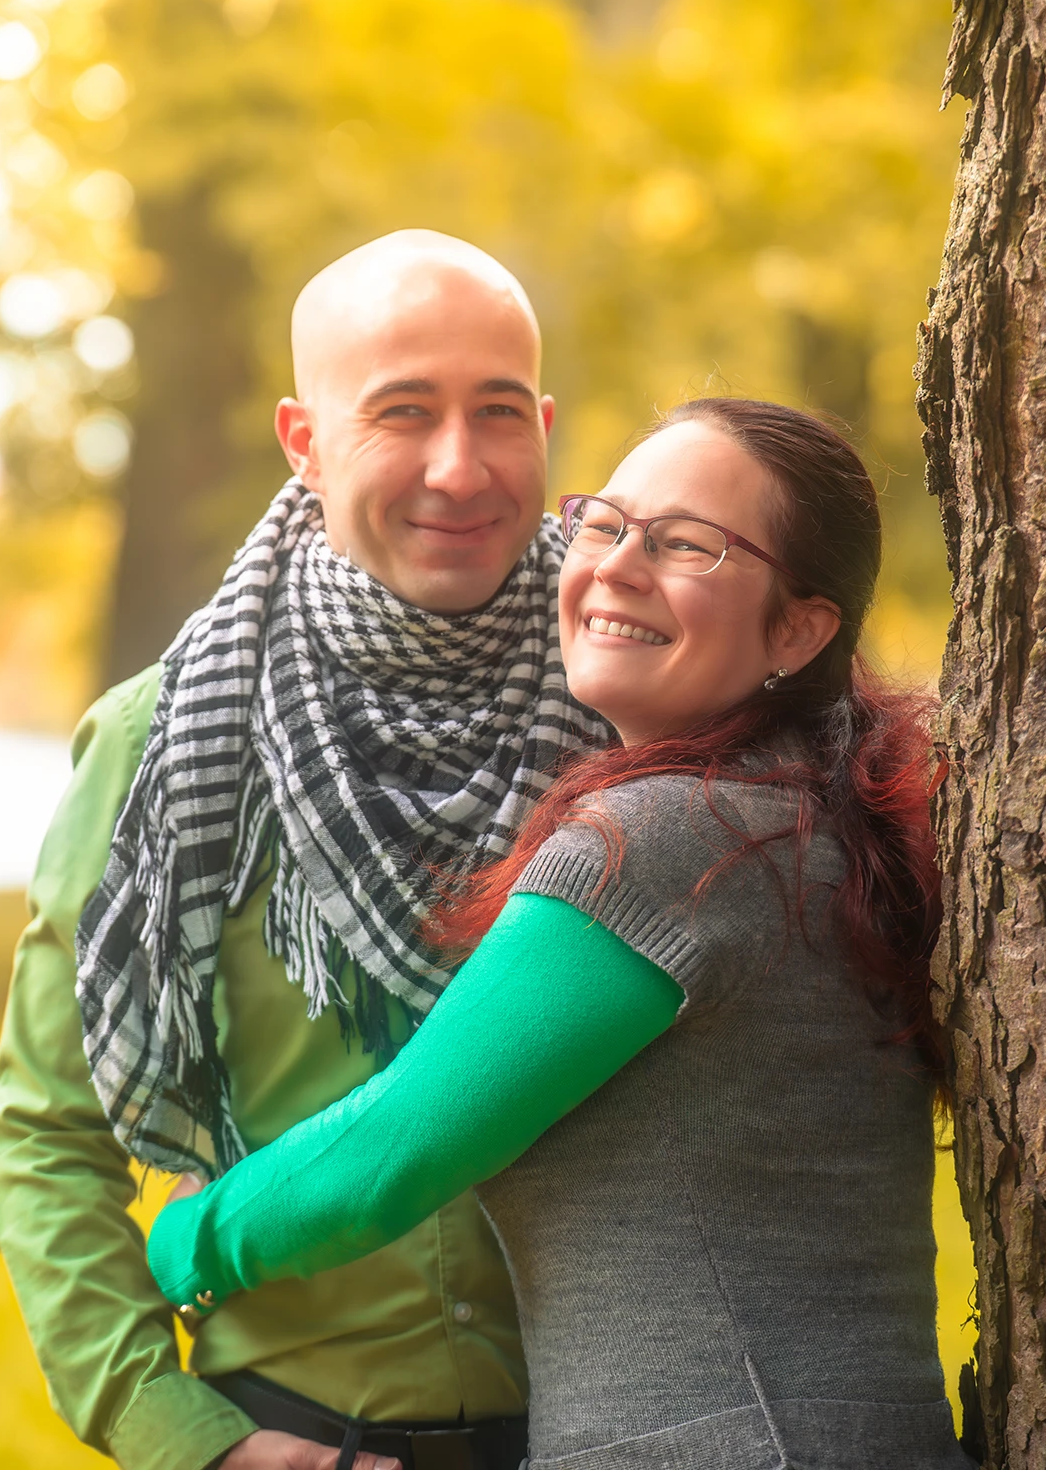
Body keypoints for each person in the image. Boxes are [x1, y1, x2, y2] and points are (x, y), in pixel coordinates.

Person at [146, 398, 974, 1470]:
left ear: (797, 628)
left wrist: (181, 1242)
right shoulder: (808, 810)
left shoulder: (670, 835)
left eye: (684, 544)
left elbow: (392, 1149)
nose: (618, 565)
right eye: (604, 521)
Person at [0, 230, 611, 1470]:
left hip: (623, 1427)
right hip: (293, 1435)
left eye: (498, 412)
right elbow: (49, 1137)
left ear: (543, 424)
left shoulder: (640, 713)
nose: (460, 465)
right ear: (303, 440)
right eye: (401, 412)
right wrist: (188, 1440)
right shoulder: (162, 741)